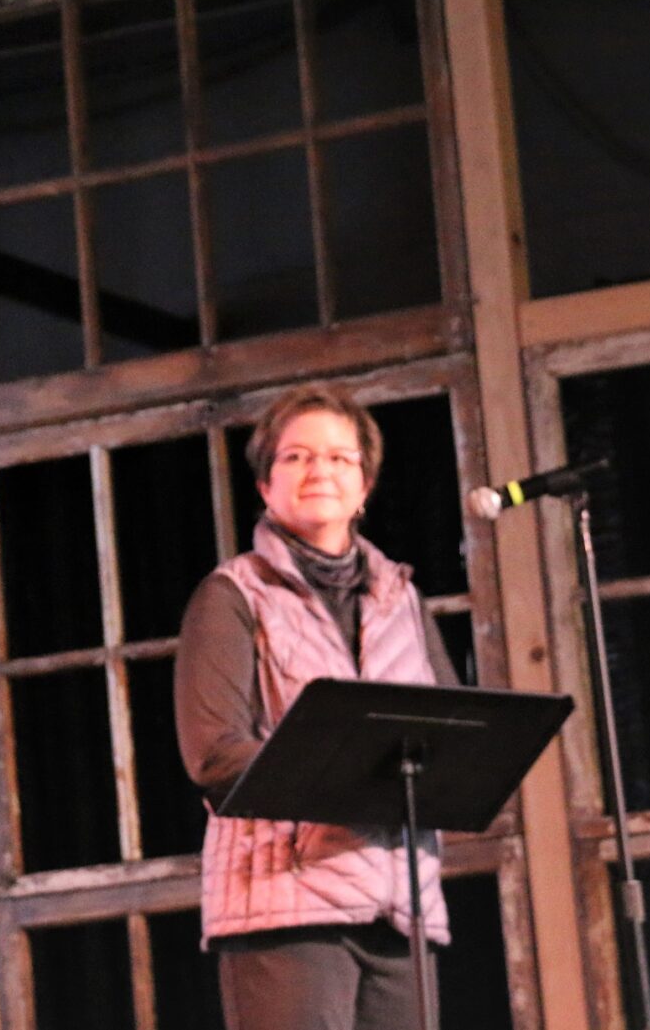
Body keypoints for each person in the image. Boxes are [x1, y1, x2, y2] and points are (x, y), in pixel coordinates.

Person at [175, 385, 460, 1030]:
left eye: (339, 458)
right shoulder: (231, 595)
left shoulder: (403, 601)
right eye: (297, 457)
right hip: (282, 907)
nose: (319, 471)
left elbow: (445, 738)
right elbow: (216, 756)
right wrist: (358, 778)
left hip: (401, 907)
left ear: (365, 486)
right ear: (266, 485)